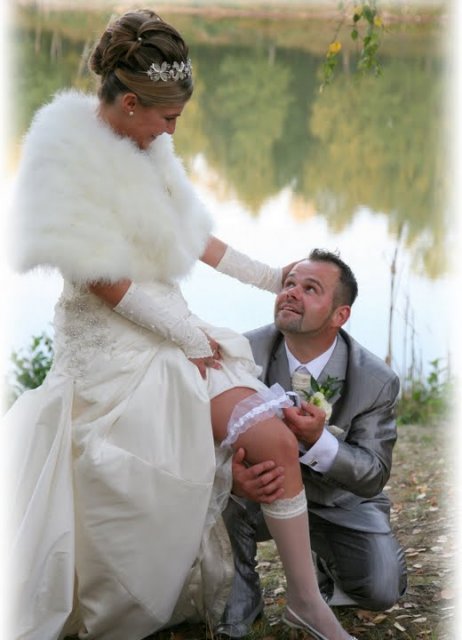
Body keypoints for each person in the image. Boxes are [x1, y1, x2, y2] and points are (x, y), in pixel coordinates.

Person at [5, 10, 357, 640]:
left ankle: (307, 602)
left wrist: (271, 276)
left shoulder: (149, 146)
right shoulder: (62, 160)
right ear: (131, 102)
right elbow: (105, 282)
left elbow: (194, 236)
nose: (172, 130)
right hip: (112, 352)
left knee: (275, 440)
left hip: (178, 332)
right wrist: (189, 339)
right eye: (167, 117)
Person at [216, 250, 408, 638]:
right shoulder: (241, 352)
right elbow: (205, 432)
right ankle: (240, 603)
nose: (290, 293)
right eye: (288, 284)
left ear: (340, 315)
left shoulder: (376, 380)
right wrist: (230, 477)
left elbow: (373, 474)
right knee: (220, 500)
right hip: (261, 493)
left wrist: (319, 441)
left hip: (341, 501)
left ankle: (322, 569)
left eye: (310, 289)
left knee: (382, 588)